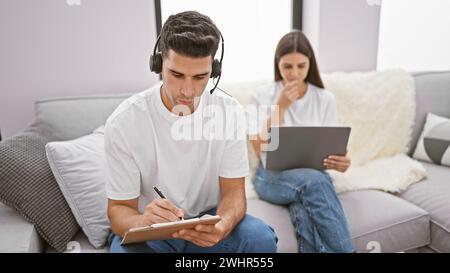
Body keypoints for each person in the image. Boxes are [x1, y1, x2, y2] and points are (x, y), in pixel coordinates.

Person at [104, 11, 277, 253]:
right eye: (177, 75)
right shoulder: (124, 122)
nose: (188, 90)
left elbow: (234, 195)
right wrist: (144, 221)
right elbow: (118, 210)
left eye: (200, 77)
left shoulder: (229, 113)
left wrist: (223, 225)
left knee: (260, 239)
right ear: (158, 64)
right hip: (152, 230)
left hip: (207, 224)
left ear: (214, 71)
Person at [248, 30, 354, 253]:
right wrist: (281, 106)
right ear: (278, 64)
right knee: (314, 183)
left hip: (312, 176)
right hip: (270, 176)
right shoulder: (261, 95)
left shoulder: (324, 98)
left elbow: (331, 145)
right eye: (288, 66)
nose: (294, 74)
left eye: (301, 66)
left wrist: (342, 161)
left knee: (306, 204)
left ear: (310, 64)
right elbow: (259, 148)